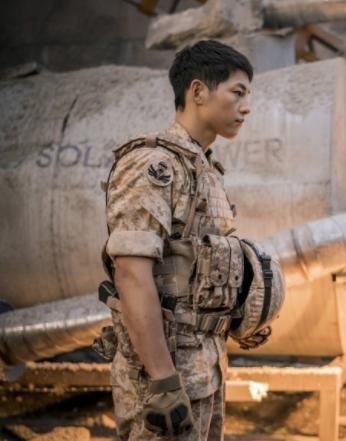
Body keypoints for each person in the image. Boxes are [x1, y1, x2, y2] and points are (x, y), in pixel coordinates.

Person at [99, 40, 274, 440]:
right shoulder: (152, 164)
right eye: (238, 92)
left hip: (205, 370)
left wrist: (242, 317)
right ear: (198, 91)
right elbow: (131, 274)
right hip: (164, 380)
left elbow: (202, 268)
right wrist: (163, 380)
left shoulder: (204, 169)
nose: (247, 107)